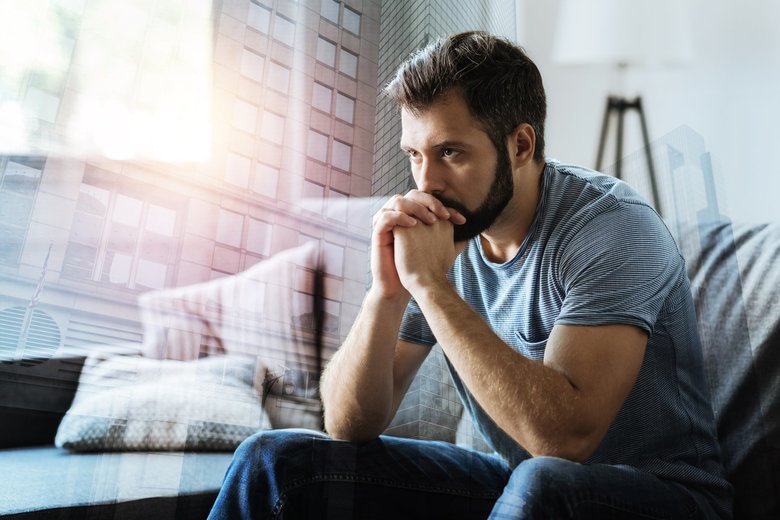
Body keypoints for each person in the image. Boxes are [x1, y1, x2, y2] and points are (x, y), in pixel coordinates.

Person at [208, 31, 732, 519]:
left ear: (521, 146)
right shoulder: (442, 232)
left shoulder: (612, 228)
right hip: (515, 483)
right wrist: (388, 293)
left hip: (665, 497)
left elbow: (565, 442)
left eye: (450, 152)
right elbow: (348, 425)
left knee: (545, 480)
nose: (426, 181)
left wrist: (432, 286)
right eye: (415, 155)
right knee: (276, 461)